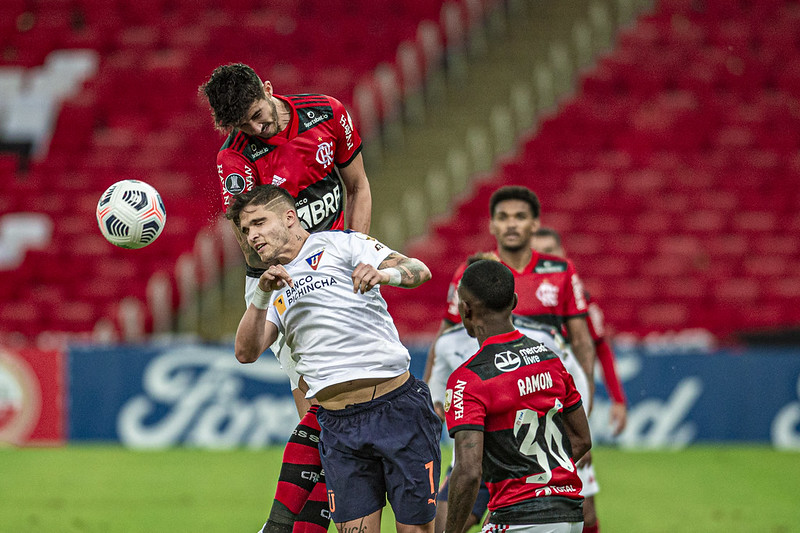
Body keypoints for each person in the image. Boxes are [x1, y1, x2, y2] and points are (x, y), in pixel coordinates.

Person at [199, 63, 373, 533]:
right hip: (286, 288)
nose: (257, 129)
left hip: (342, 275)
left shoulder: (327, 114)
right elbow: (248, 233)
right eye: (246, 125)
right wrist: (277, 285)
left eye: (258, 115)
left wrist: (354, 253)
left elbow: (357, 186)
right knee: (324, 419)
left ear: (269, 90)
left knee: (339, 427)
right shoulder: (234, 158)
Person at [227, 185, 441, 533]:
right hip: (339, 425)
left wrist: (383, 274)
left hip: (396, 409)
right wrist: (262, 294)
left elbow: (418, 269)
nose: (252, 235)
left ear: (290, 217)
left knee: (415, 530)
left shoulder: (342, 243)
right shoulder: (273, 285)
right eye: (246, 229)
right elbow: (245, 352)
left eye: (259, 223)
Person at [444, 259, 591, 533]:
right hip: (569, 515)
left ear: (466, 309)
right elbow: (582, 439)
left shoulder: (469, 378)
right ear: (514, 301)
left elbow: (467, 473)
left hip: (523, 520)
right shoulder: (549, 360)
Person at [424, 186, 597, 403]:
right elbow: (446, 334)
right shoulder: (473, 272)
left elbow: (581, 339)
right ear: (492, 225)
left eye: (520, 217)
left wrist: (586, 389)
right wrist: (430, 394)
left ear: (535, 224)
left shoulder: (561, 270)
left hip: (546, 384)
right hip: (495, 387)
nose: (511, 224)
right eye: (503, 217)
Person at [530, 227, 628, 533]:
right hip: (530, 406)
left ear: (563, 257)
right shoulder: (521, 298)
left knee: (585, 506)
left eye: (550, 251)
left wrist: (618, 400)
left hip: (569, 406)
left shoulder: (579, 299)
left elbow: (599, 346)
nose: (545, 259)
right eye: (538, 253)